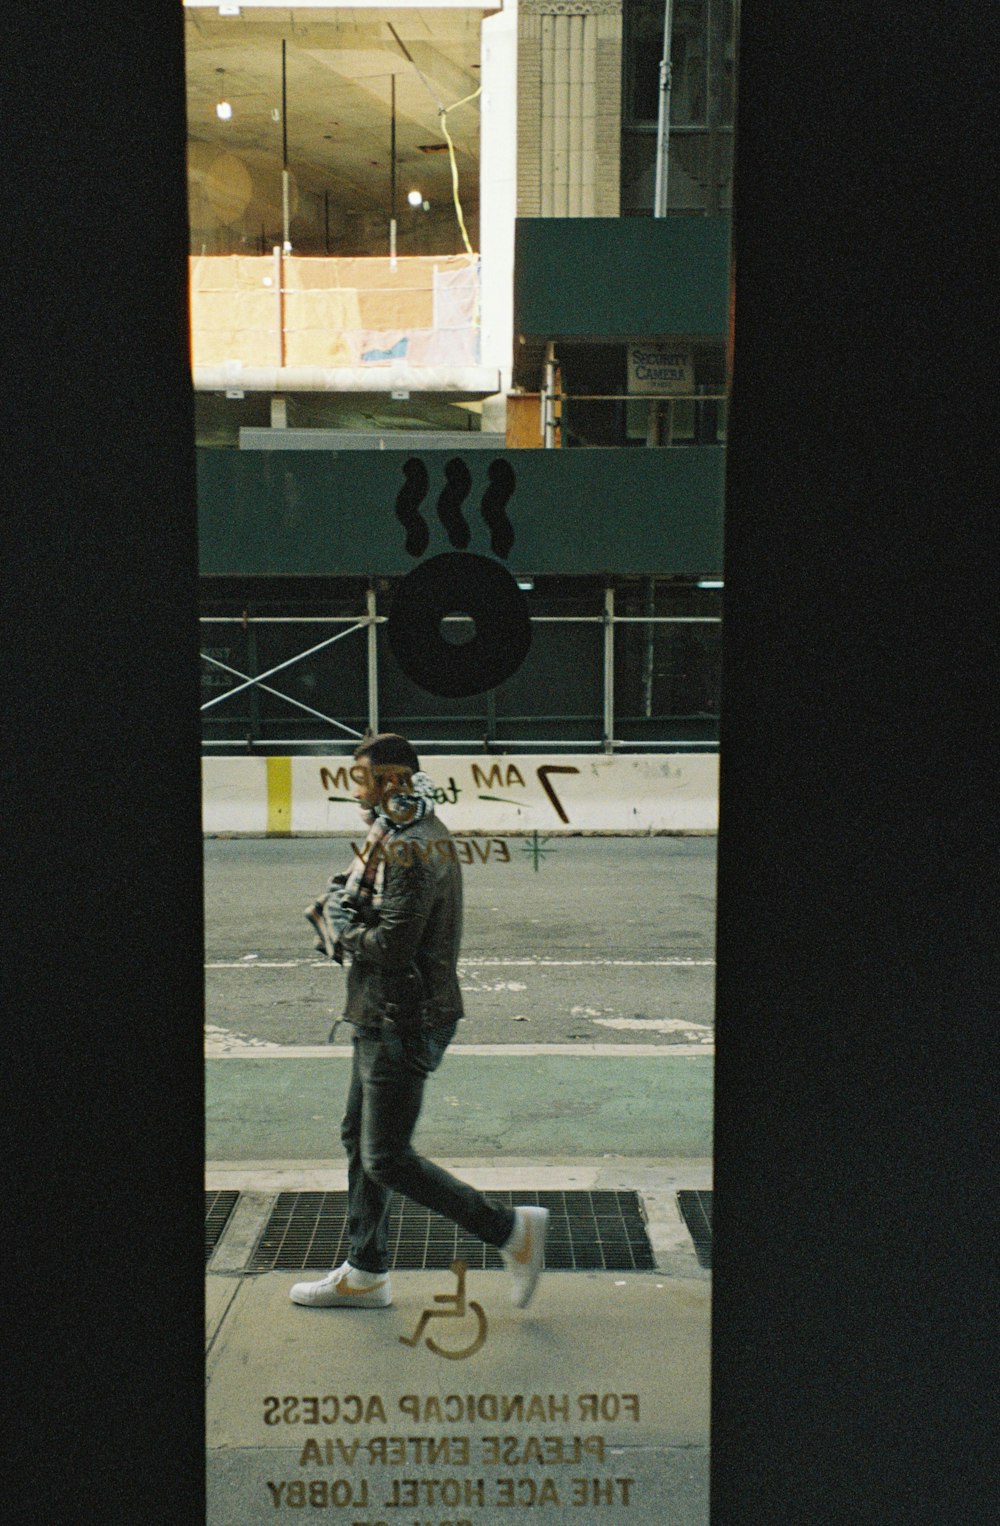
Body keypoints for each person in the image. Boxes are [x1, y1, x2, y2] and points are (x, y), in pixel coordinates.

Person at [291, 732, 548, 1311]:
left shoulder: (409, 846)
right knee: (360, 1142)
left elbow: (393, 943)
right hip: (384, 1011)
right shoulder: (396, 836)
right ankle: (365, 1271)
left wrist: (339, 925)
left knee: (386, 1157)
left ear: (393, 780)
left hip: (401, 1018)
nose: (354, 789)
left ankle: (510, 1230)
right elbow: (366, 905)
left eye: (362, 778)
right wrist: (346, 908)